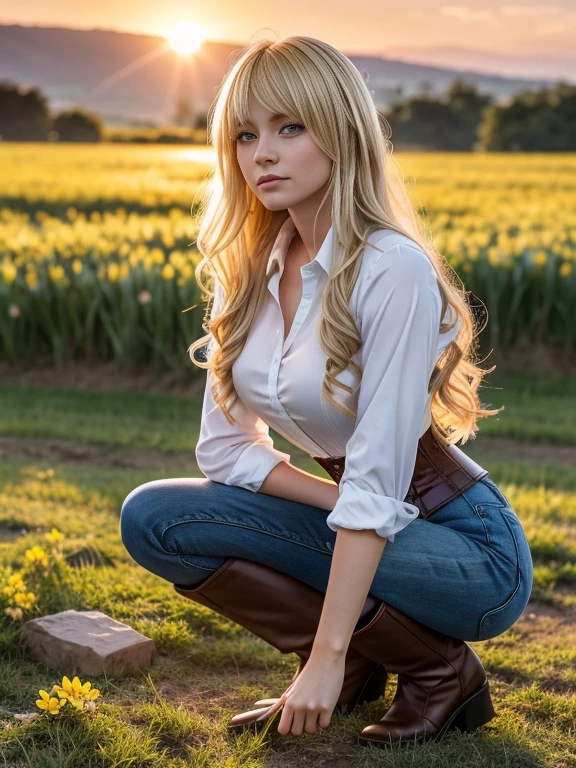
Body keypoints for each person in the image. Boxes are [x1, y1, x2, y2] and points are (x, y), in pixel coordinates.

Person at [119, 35, 534, 748]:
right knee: (154, 517)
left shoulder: (390, 268)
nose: (262, 154)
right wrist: (331, 499)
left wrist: (323, 653)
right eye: (245, 134)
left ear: (340, 132)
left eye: (290, 127)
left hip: (466, 547)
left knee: (340, 522)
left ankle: (434, 672)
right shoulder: (247, 268)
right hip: (364, 505)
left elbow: (379, 476)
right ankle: (375, 663)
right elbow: (225, 452)